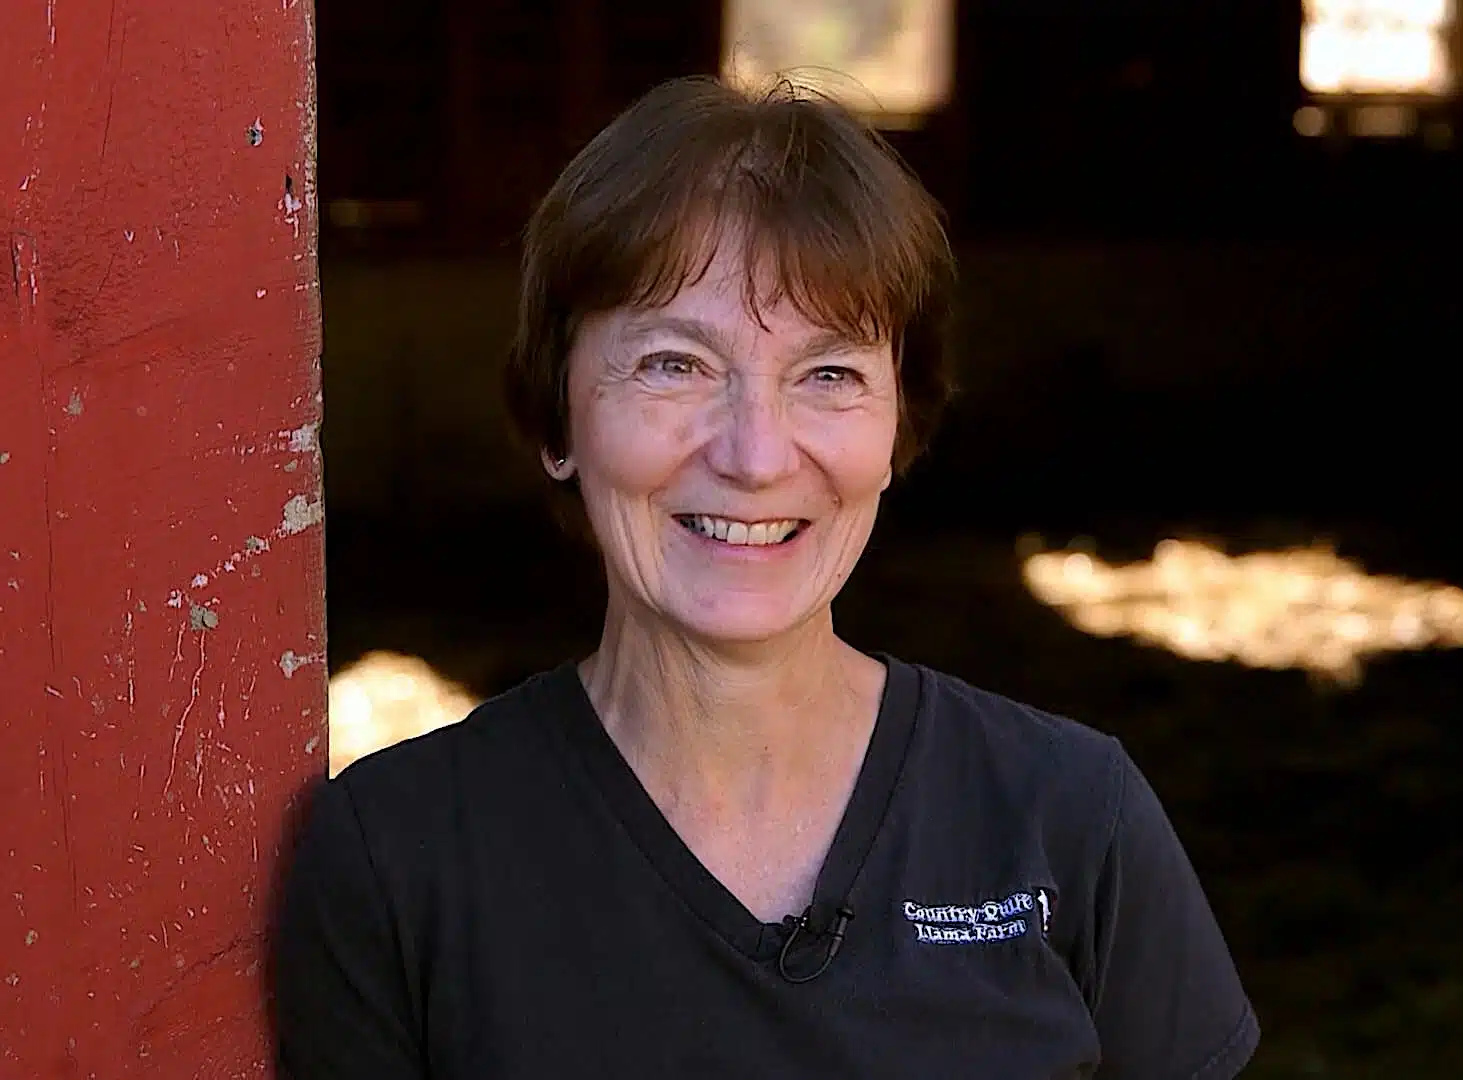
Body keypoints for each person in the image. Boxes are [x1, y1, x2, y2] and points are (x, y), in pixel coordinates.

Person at [273, 76, 1258, 1079]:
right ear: (558, 416)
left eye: (829, 375)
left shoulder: (1072, 817)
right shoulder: (396, 858)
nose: (754, 456)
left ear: (899, 428)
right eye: (674, 365)